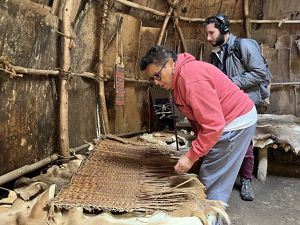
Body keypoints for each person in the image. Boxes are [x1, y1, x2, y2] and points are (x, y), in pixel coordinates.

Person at [139, 45, 257, 203]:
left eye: (157, 75)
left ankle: (211, 216)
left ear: (170, 63)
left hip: (235, 122)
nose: (156, 82)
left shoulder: (191, 78)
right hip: (229, 118)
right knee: (210, 167)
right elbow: (199, 118)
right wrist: (198, 148)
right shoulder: (178, 79)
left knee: (212, 180)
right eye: (152, 79)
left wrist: (191, 157)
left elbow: (214, 125)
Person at [204, 14, 271, 201]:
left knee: (246, 144)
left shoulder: (244, 46)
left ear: (224, 29)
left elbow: (260, 74)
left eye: (211, 33)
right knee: (225, 139)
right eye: (207, 34)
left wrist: (229, 83)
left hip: (246, 102)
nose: (208, 38)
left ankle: (246, 180)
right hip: (227, 105)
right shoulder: (215, 54)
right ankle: (225, 175)